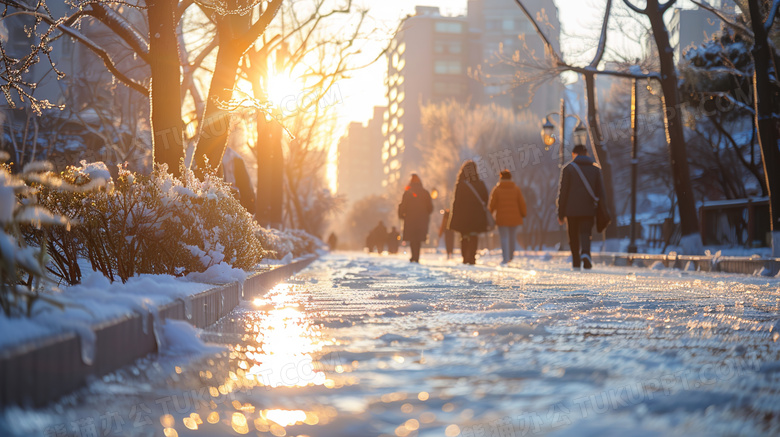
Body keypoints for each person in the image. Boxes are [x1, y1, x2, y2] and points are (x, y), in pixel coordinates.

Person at [557, 145, 606, 270]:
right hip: (588, 209)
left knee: (573, 235)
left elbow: (563, 192)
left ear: (574, 154)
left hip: (571, 210)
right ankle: (585, 253)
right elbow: (600, 192)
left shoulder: (568, 169)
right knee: (586, 232)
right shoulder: (595, 169)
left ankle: (576, 261)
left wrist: (560, 213)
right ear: (586, 153)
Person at [448, 161, 490, 265]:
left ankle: (465, 257)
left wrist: (454, 216)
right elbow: (485, 198)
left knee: (464, 236)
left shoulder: (461, 185)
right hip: (476, 216)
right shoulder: (480, 184)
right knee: (473, 235)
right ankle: (472, 257)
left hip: (463, 217)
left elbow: (456, 202)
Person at [489, 169, 527, 264]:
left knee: (504, 238)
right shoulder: (516, 189)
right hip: (514, 218)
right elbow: (521, 203)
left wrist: (489, 214)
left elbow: (492, 205)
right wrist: (523, 213)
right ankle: (510, 257)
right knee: (512, 237)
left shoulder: (497, 189)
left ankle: (505, 258)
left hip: (502, 218)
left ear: (501, 178)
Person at [398, 174, 433, 263]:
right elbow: (430, 208)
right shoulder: (425, 193)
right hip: (422, 220)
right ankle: (416, 256)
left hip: (410, 219)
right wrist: (425, 214)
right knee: (418, 239)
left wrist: (402, 215)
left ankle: (414, 256)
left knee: (413, 239)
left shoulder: (408, 192)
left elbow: (403, 206)